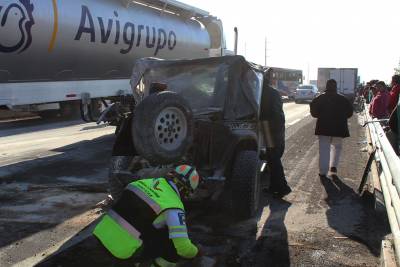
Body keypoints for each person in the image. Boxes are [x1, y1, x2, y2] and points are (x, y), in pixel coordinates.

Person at [36, 165, 201, 267]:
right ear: (187, 192)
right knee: (172, 247)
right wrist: (196, 253)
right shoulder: (174, 206)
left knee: (153, 225)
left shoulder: (139, 183)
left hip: (100, 235)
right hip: (121, 252)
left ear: (170, 175)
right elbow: (183, 247)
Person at [310, 79, 353, 178]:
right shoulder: (343, 99)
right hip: (339, 128)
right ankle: (333, 167)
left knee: (324, 149)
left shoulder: (319, 98)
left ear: (326, 86)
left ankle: (323, 171)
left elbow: (314, 113)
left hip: (323, 128)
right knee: (337, 148)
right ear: (336, 87)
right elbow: (350, 113)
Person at [260, 68, 291, 198]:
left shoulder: (262, 92)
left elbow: (271, 113)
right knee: (272, 158)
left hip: (269, 127)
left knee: (273, 158)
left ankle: (283, 187)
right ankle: (274, 187)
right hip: (275, 127)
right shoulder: (272, 92)